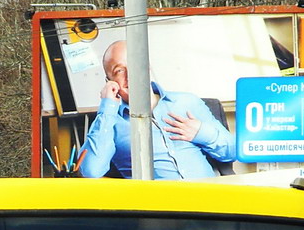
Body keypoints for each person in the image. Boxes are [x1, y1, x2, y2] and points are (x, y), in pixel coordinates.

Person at [79, 40, 235, 180]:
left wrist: (202, 132)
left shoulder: (186, 102)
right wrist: (107, 107)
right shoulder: (110, 122)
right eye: (119, 70)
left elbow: (233, 151)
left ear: (147, 68)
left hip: (210, 200)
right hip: (160, 208)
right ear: (109, 82)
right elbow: (90, 171)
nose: (130, 75)